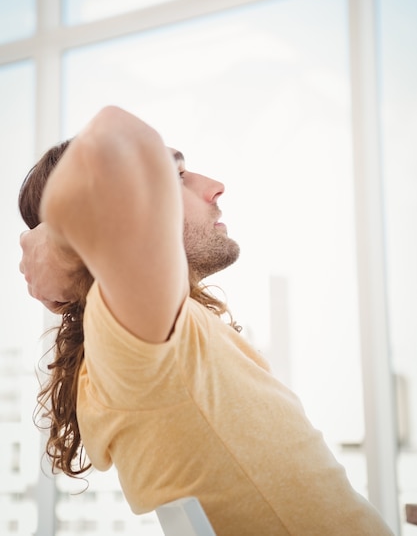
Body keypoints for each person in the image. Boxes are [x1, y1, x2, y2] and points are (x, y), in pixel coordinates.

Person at [19, 106, 394, 536]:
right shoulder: (124, 331)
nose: (215, 188)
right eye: (174, 175)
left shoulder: (148, 333)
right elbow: (114, 129)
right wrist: (65, 243)